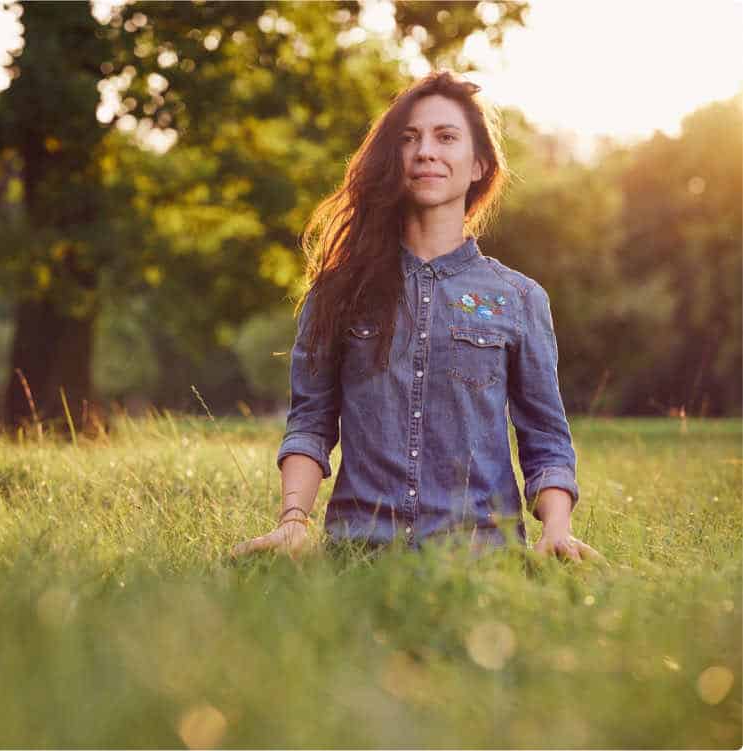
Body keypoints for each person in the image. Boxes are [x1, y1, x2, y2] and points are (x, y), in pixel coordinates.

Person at [231, 70, 603, 564]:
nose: (426, 151)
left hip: (482, 560)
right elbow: (310, 423)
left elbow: (547, 440)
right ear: (394, 159)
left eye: (446, 137)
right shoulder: (339, 291)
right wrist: (293, 521)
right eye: (409, 139)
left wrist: (557, 529)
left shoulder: (518, 298)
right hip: (359, 556)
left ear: (479, 165)